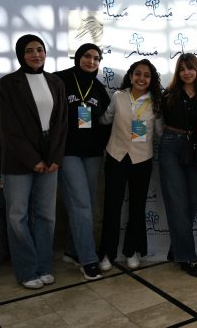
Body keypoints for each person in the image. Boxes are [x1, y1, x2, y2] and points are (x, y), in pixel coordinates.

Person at [0, 34, 67, 289]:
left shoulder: (56, 82)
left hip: (50, 155)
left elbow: (61, 123)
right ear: (20, 54)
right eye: (29, 50)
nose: (36, 54)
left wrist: (55, 157)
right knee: (18, 216)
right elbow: (9, 128)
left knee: (46, 215)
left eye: (40, 49)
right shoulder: (6, 84)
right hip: (18, 158)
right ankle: (26, 270)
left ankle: (43, 266)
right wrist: (33, 159)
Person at [98, 59, 162, 272]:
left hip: (142, 160)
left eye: (146, 75)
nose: (141, 78)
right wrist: (85, 114)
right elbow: (106, 119)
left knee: (137, 207)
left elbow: (160, 132)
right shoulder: (119, 96)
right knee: (112, 207)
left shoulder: (155, 102)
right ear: (131, 76)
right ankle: (107, 253)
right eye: (138, 74)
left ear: (151, 79)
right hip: (116, 157)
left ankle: (131, 250)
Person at [54, 43, 110, 281]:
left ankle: (71, 250)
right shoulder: (60, 80)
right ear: (78, 57)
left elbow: (106, 120)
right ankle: (88, 260)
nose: (91, 61)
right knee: (80, 205)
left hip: (93, 153)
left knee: (85, 204)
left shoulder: (99, 87)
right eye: (87, 56)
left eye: (96, 58)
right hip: (68, 153)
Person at [159, 54, 197, 278]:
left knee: (192, 200)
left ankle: (176, 248)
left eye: (190, 68)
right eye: (182, 69)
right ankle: (188, 257)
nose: (186, 72)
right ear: (177, 72)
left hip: (195, 148)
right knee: (177, 202)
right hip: (171, 145)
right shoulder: (168, 94)